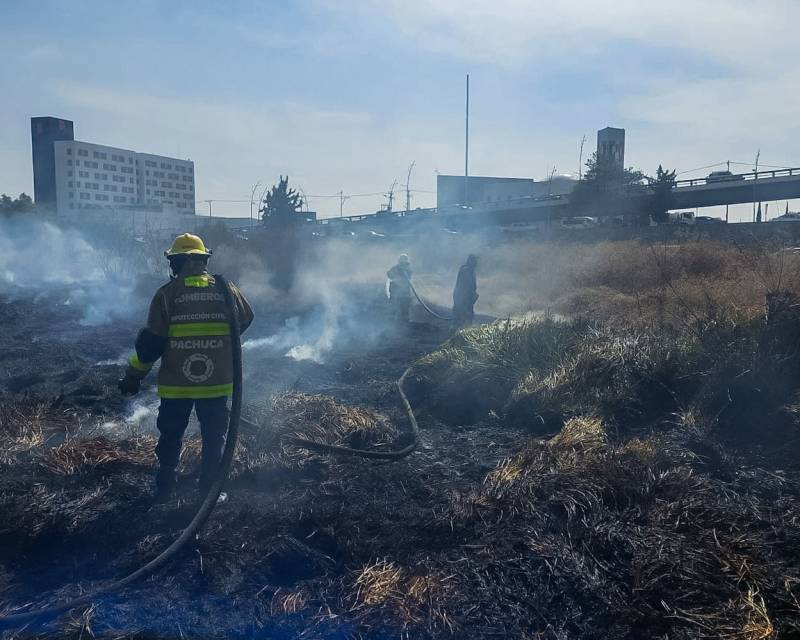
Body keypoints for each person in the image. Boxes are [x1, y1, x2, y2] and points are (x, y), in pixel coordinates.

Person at [118, 233, 254, 503]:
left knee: (171, 435)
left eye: (172, 261)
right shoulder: (227, 290)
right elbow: (246, 319)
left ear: (178, 262)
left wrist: (133, 377)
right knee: (214, 438)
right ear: (203, 260)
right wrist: (219, 341)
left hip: (176, 385)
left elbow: (151, 345)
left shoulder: (167, 294)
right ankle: (209, 491)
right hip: (216, 383)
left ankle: (165, 487)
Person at [452, 254, 479, 328]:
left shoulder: (471, 271)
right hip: (463, 299)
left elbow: (473, 286)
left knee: (467, 317)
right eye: (474, 261)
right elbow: (463, 287)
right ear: (470, 261)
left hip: (467, 299)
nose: (476, 263)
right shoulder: (465, 271)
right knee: (461, 318)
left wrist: (473, 295)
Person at [386, 253, 413, 323]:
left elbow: (409, 276)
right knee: (393, 305)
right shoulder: (395, 268)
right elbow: (389, 274)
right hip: (395, 291)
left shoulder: (408, 269)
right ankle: (391, 320)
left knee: (405, 306)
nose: (403, 264)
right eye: (402, 262)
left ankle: (405, 320)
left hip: (405, 292)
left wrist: (402, 272)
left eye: (404, 263)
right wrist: (397, 271)